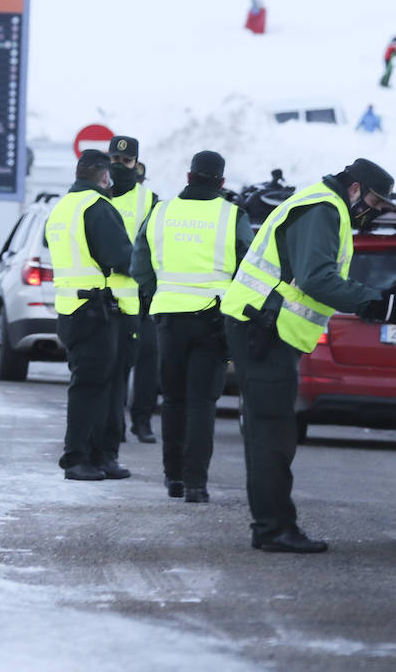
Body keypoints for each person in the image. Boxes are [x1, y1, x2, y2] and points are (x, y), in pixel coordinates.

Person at [220, 158, 396, 552]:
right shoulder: (323, 209)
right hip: (263, 329)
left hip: (267, 329)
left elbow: (319, 277)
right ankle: (273, 530)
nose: (375, 211)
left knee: (274, 432)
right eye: (374, 202)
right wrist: (379, 304)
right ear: (355, 189)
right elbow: (317, 279)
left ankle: (273, 526)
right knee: (271, 434)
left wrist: (382, 302)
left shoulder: (323, 206)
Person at [132, 151, 251, 503]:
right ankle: (196, 484)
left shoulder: (161, 212)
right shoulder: (233, 216)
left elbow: (139, 263)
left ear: (188, 176)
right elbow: (248, 268)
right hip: (214, 320)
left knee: (173, 400)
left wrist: (159, 294)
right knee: (202, 403)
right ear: (222, 182)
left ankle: (174, 479)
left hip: (169, 318)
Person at [44, 150, 134, 481]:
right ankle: (77, 458)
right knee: (91, 386)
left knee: (94, 384)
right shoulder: (97, 207)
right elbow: (120, 257)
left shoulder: (61, 208)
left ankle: (99, 457)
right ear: (104, 177)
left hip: (71, 309)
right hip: (95, 310)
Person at [106, 135, 161, 445]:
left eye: (125, 162)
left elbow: (156, 244)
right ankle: (115, 423)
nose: (120, 166)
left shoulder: (150, 200)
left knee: (148, 361)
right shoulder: (98, 195)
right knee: (113, 366)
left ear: (136, 164)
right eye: (115, 160)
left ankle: (142, 421)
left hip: (140, 296)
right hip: (105, 295)